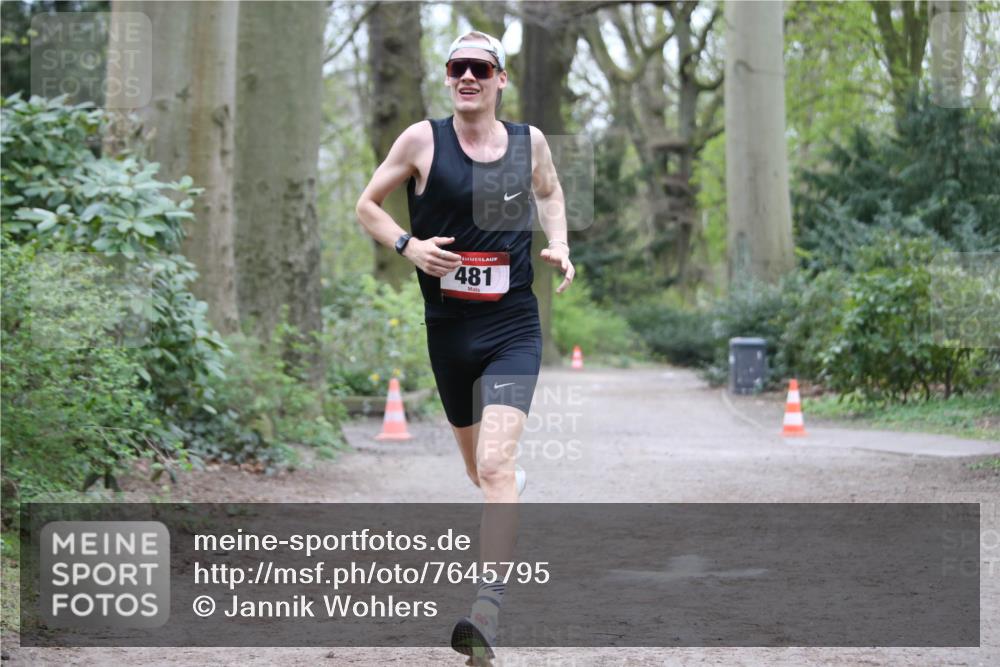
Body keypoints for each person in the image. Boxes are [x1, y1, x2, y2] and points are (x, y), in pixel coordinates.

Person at [355, 29, 574, 661]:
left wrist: (559, 242)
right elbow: (368, 205)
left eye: (480, 67)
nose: (467, 77)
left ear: (501, 78)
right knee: (479, 470)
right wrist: (408, 246)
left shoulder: (529, 143)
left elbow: (549, 191)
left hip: (512, 326)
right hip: (449, 331)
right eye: (457, 68)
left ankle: (486, 611)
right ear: (448, 77)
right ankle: (504, 484)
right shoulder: (422, 141)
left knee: (496, 468)